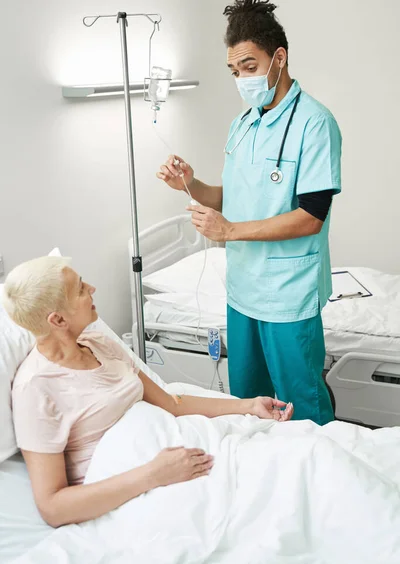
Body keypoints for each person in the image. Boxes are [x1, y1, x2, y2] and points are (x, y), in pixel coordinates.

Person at [2, 256, 293, 528]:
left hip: (182, 452)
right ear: (58, 320)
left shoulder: (99, 343)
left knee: (290, 465)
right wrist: (154, 475)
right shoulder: (36, 388)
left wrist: (249, 406)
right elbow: (53, 508)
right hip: (145, 488)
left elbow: (171, 403)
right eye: (80, 289)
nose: (92, 288)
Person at [157, 0, 342, 426]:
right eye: (235, 71)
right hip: (242, 293)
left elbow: (311, 215)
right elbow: (233, 196)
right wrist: (189, 183)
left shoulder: (314, 123)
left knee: (303, 410)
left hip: (288, 294)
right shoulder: (243, 124)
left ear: (279, 57)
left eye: (249, 65)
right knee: (249, 408)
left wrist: (229, 230)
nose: (242, 78)